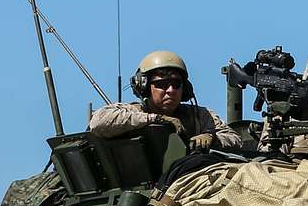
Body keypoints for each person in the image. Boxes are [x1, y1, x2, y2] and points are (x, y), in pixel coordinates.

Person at [90, 50, 245, 152]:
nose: (170, 90)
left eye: (176, 84)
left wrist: (211, 138)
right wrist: (157, 119)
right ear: (143, 87)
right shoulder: (134, 112)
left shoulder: (200, 116)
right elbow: (98, 122)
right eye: (162, 85)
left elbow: (235, 140)